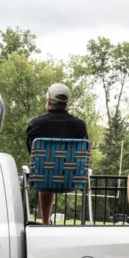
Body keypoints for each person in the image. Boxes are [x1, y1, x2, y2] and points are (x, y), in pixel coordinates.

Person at [26, 83, 89, 225]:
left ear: (48, 101)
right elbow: (83, 153)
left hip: (43, 177)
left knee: (45, 170)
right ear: (66, 103)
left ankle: (45, 221)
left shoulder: (36, 123)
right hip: (72, 179)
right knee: (50, 170)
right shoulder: (79, 125)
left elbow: (32, 152)